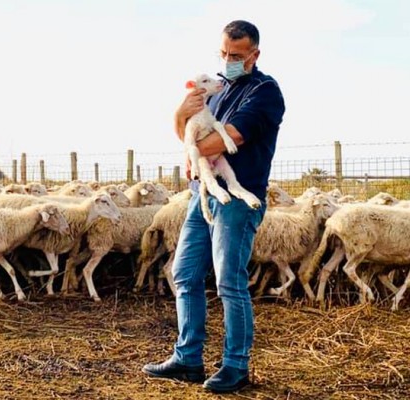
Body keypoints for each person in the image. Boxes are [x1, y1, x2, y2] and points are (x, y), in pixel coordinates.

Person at [142, 20, 285, 393]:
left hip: (237, 199)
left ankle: (235, 365)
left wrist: (191, 148)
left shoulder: (265, 92)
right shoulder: (214, 92)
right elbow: (189, 136)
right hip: (202, 194)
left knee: (229, 282)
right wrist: (178, 116)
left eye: (236, 55)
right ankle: (188, 358)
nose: (228, 60)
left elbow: (225, 140)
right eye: (223, 54)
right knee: (184, 273)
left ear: (255, 54)